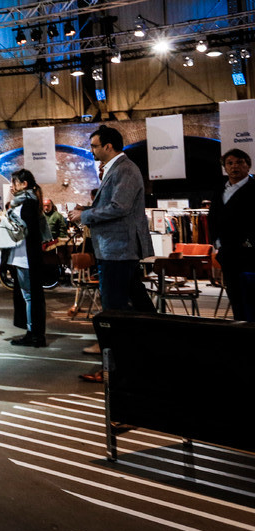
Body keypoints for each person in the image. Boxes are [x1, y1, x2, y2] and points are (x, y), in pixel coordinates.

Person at [68, 125, 154, 382]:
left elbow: (119, 207)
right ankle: (151, 354)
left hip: (118, 249)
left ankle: (114, 370)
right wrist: (87, 209)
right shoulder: (116, 169)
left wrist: (84, 215)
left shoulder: (124, 169)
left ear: (108, 146)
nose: (92, 151)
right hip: (117, 249)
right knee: (139, 306)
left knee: (113, 311)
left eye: (94, 146)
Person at [2, 169, 49, 348]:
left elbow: (24, 230)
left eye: (14, 183)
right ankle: (33, 332)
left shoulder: (28, 203)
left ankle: (34, 333)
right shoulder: (26, 201)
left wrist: (7, 220)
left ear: (24, 184)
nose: (11, 186)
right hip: (23, 256)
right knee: (29, 296)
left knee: (30, 296)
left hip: (25, 256)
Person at [208, 148, 255, 322]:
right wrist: (217, 243)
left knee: (251, 299)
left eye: (239, 162)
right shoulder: (220, 189)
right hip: (227, 254)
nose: (234, 166)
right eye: (230, 163)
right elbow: (212, 217)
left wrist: (249, 243)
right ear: (225, 168)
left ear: (248, 166)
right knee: (235, 298)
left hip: (250, 255)